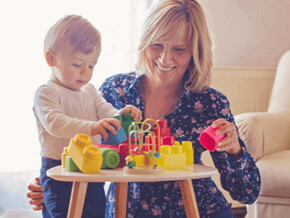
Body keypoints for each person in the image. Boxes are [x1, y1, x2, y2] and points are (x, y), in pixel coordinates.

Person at [27, 1, 261, 217]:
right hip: (125, 210)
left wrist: (234, 151)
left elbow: (246, 193)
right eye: (157, 45)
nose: (165, 58)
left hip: (196, 209)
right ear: (144, 43)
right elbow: (84, 148)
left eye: (179, 49)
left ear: (195, 53)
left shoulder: (210, 103)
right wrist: (54, 187)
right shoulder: (114, 90)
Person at [33, 14, 142, 218]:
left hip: (92, 165)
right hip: (60, 168)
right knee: (63, 213)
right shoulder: (46, 92)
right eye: (77, 64)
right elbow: (55, 123)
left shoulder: (90, 91)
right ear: (51, 59)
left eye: (91, 66)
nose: (85, 72)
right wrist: (92, 127)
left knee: (94, 212)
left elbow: (106, 112)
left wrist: (120, 114)